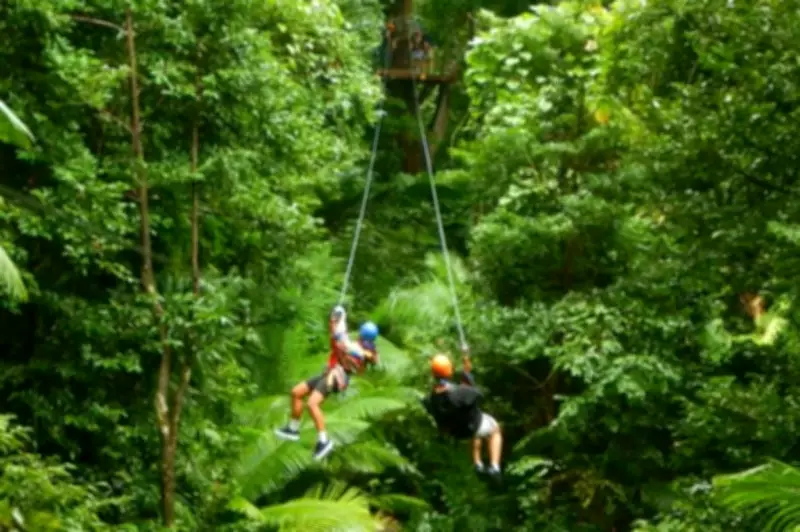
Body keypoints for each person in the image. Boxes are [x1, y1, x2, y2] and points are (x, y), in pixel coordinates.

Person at [275, 305, 380, 460]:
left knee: (312, 404)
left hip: (336, 376)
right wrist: (334, 322)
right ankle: (292, 428)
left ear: (361, 334)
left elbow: (344, 343)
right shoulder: (360, 348)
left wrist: (340, 318)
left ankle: (323, 441)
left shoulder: (363, 352)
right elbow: (338, 340)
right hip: (329, 373)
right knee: (296, 392)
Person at [422, 350, 503, 478]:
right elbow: (477, 394)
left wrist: (465, 375)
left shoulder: (432, 397)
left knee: (474, 429)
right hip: (473, 425)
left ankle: (477, 464)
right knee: (494, 428)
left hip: (457, 432)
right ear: (450, 371)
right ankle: (494, 467)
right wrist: (468, 376)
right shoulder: (460, 392)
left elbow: (453, 395)